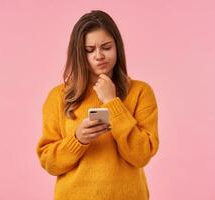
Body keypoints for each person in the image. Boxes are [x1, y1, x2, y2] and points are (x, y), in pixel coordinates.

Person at [36, 10, 159, 200]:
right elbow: (49, 163)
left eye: (106, 47)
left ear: (118, 47)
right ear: (78, 53)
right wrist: (78, 139)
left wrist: (112, 102)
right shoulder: (58, 97)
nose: (99, 55)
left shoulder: (140, 92)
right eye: (89, 50)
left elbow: (141, 155)